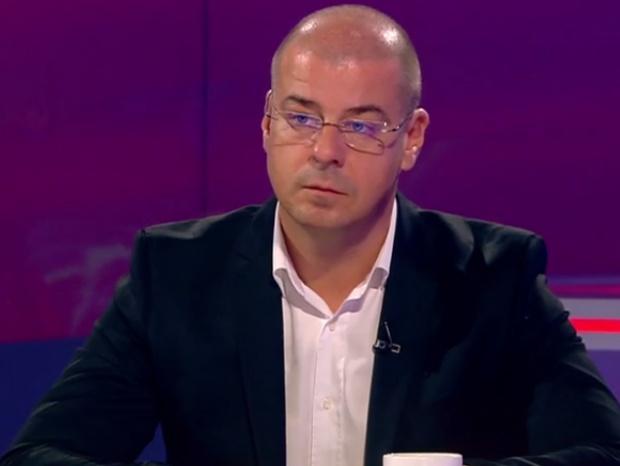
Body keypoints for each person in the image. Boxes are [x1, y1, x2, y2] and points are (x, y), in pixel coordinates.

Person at [2, 4, 620, 466]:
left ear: (412, 139)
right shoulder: (177, 275)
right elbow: (43, 454)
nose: (325, 151)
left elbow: (601, 452)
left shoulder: (494, 278)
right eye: (301, 117)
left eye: (363, 126)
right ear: (267, 124)